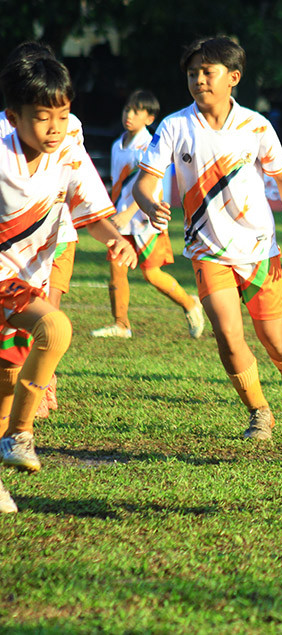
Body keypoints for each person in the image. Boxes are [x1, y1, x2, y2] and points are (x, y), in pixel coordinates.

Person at [133, 36, 282, 441]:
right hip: (207, 251)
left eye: (207, 72)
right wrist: (149, 203)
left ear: (233, 77)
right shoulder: (175, 126)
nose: (198, 80)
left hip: (259, 249)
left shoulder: (255, 125)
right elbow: (143, 183)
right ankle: (259, 412)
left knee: (275, 339)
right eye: (192, 73)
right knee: (229, 339)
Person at [0, 50, 137, 513]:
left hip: (29, 278)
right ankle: (20, 434)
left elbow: (89, 209)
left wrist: (115, 239)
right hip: (4, 280)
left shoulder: (69, 151)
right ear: (13, 116)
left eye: (62, 115)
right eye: (42, 118)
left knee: (6, 380)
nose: (55, 127)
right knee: (56, 328)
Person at [0, 41, 86, 420]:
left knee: (49, 313)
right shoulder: (7, 130)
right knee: (25, 327)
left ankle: (42, 384)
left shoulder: (71, 126)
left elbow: (78, 181)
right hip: (14, 245)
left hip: (59, 234)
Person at [91, 89, 205, 340]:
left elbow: (150, 188)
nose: (129, 115)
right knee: (116, 267)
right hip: (121, 220)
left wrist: (130, 212)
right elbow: (119, 185)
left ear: (150, 118)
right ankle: (121, 325)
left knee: (151, 274)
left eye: (136, 111)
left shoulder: (150, 146)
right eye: (127, 109)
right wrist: (113, 211)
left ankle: (190, 304)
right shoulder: (117, 145)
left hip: (145, 220)